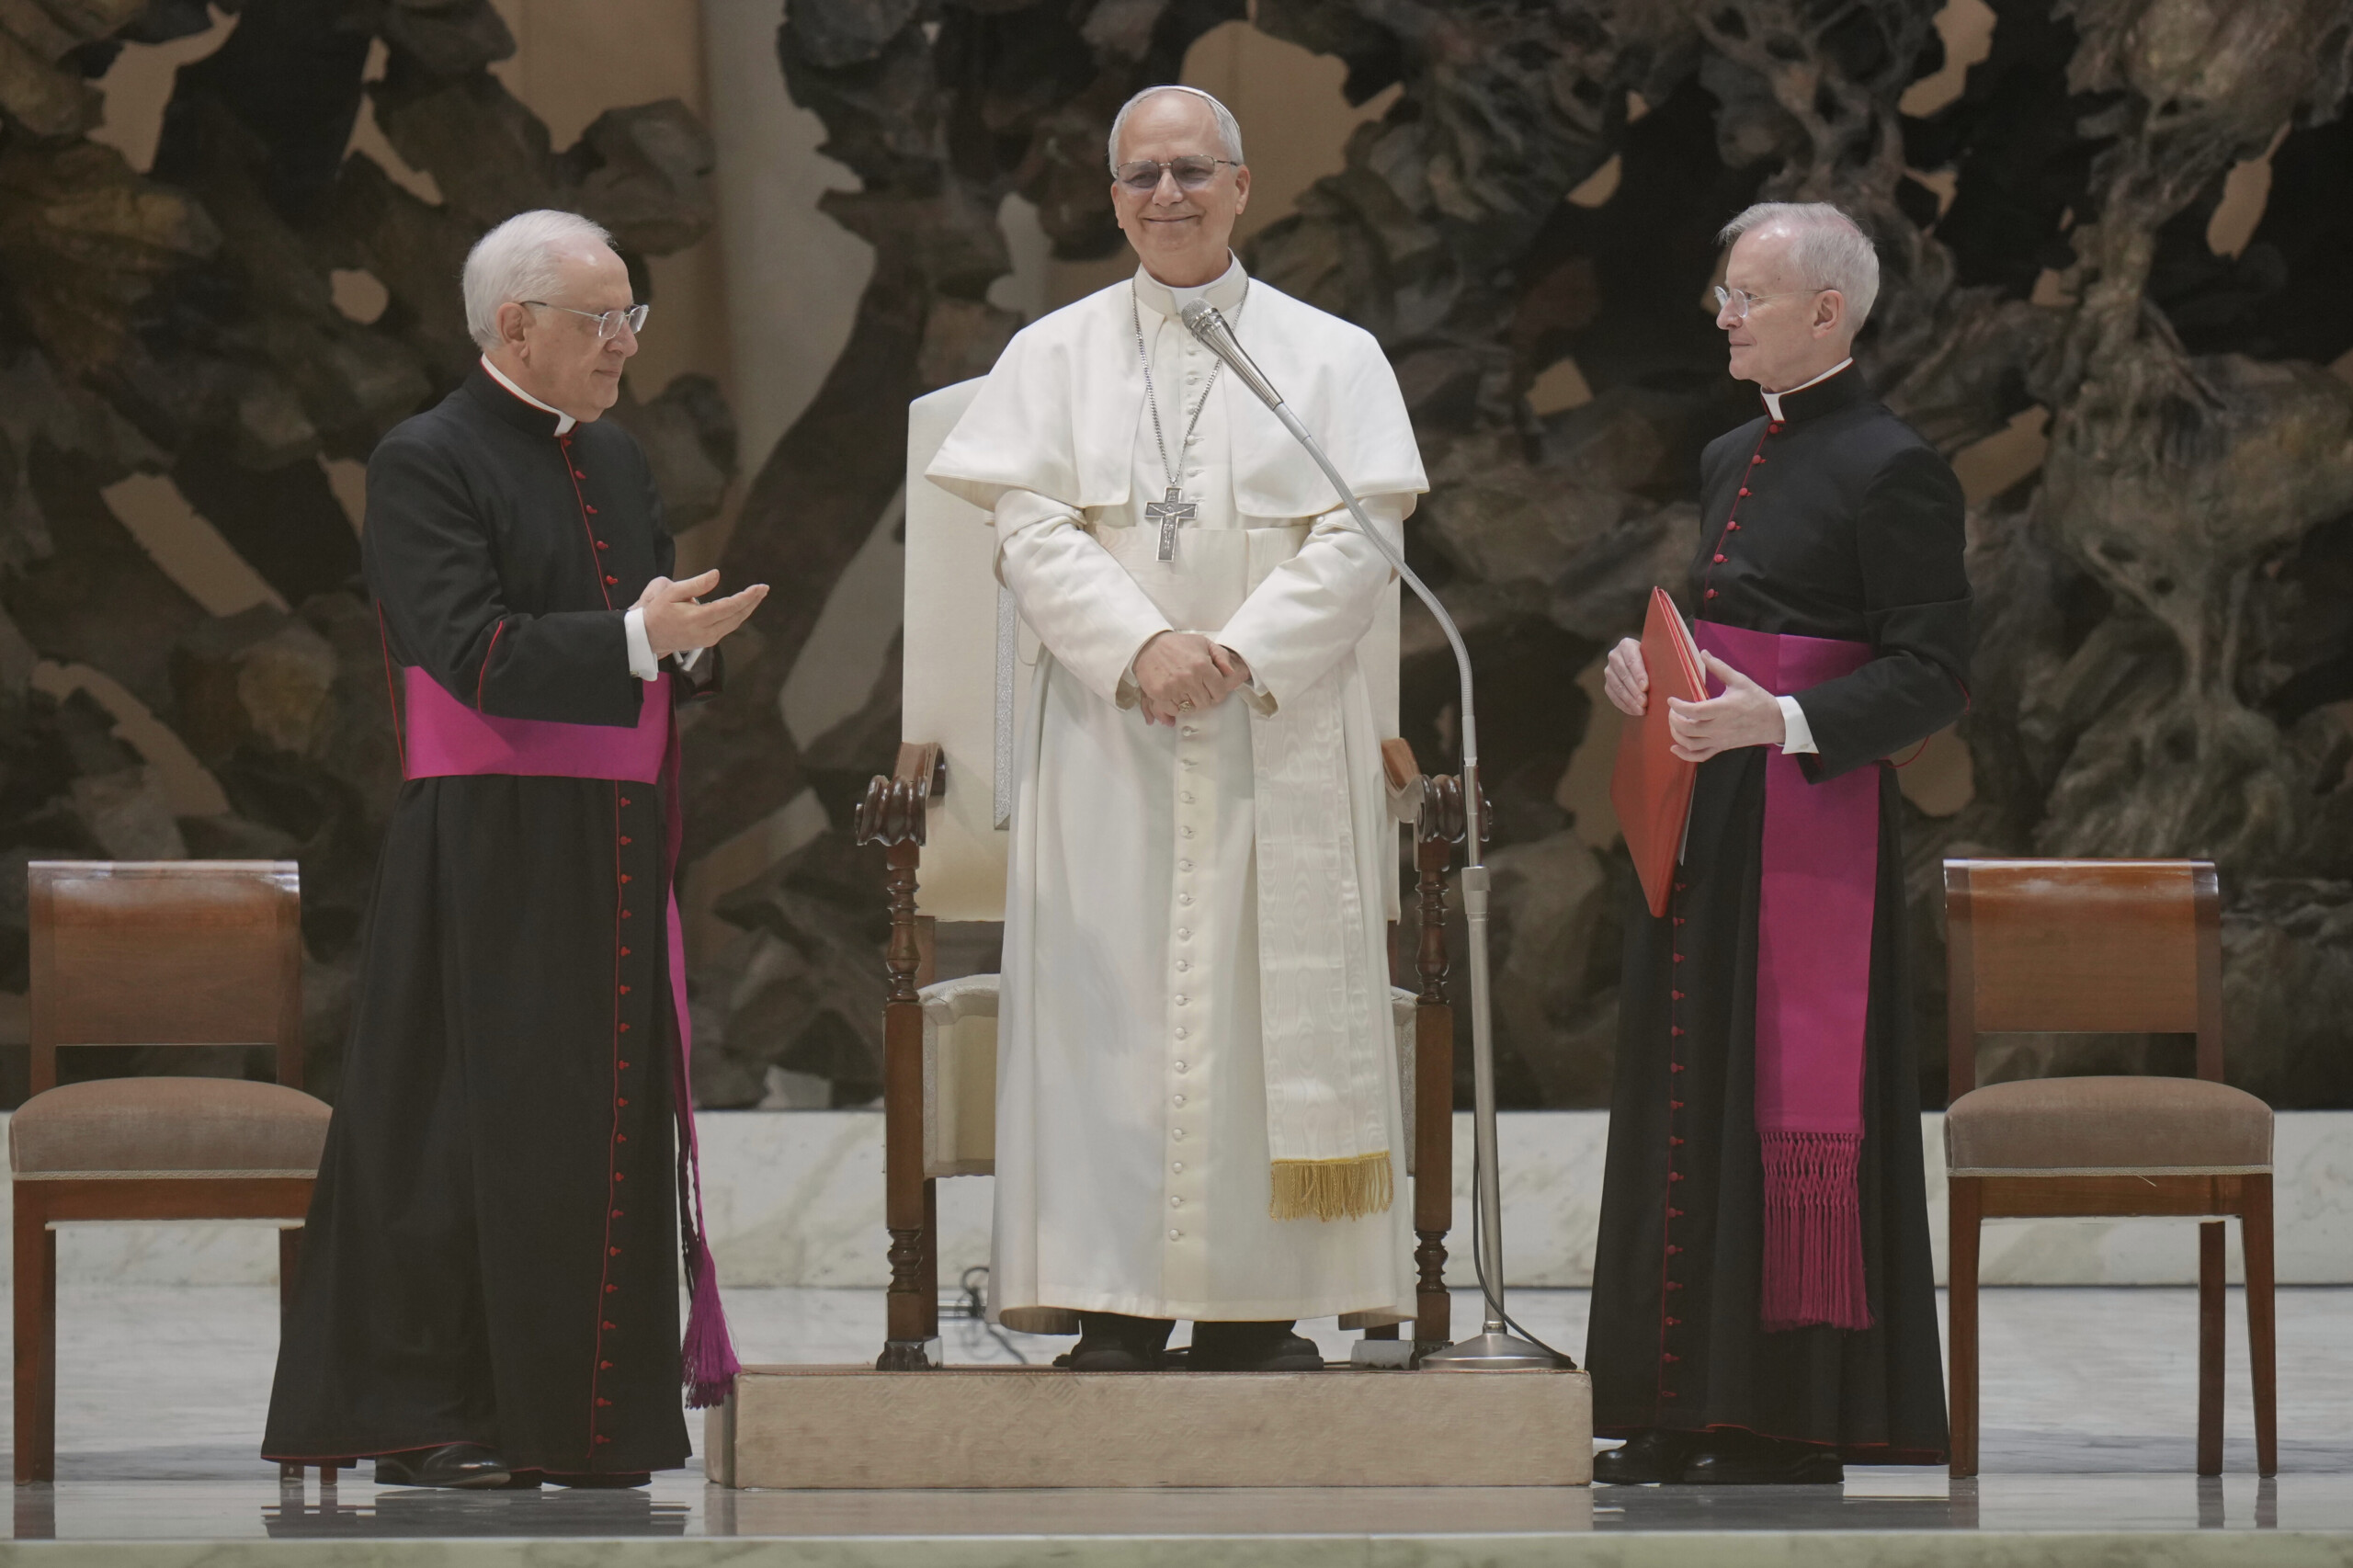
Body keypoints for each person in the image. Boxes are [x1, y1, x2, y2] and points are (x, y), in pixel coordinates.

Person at [926, 85, 1427, 1371]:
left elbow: (1364, 537)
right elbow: (1028, 529)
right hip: (1109, 741)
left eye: (1192, 170)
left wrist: (1239, 652)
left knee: (1261, 1023)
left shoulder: (1330, 355)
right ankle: (1112, 1300)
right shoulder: (1053, 354)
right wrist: (1143, 647)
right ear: (1111, 200)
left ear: (1243, 185)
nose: (1167, 195)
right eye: (1140, 176)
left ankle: (1260, 1308)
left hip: (1282, 733)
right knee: (1110, 1020)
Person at [262, 210, 766, 1488]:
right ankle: (447, 1414)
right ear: (515, 327)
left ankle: (591, 1424)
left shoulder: (618, 460)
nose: (625, 348)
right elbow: (471, 649)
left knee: (597, 1136)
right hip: (486, 851)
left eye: (633, 319)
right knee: (474, 1134)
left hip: (607, 840)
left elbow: (639, 633)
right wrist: (643, 640)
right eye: (604, 323)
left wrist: (685, 646)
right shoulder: (423, 459)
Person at [1586, 202, 1967, 1483]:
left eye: (1747, 293)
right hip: (1702, 816)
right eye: (1723, 288)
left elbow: (1933, 676)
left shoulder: (1895, 465)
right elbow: (1720, 625)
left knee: (1777, 1109)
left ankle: (1782, 1420)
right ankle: (1676, 1406)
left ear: (1827, 313)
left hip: (1809, 821)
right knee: (1685, 1103)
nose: (1722, 311)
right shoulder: (1726, 453)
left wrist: (1786, 716)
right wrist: (1649, 668)